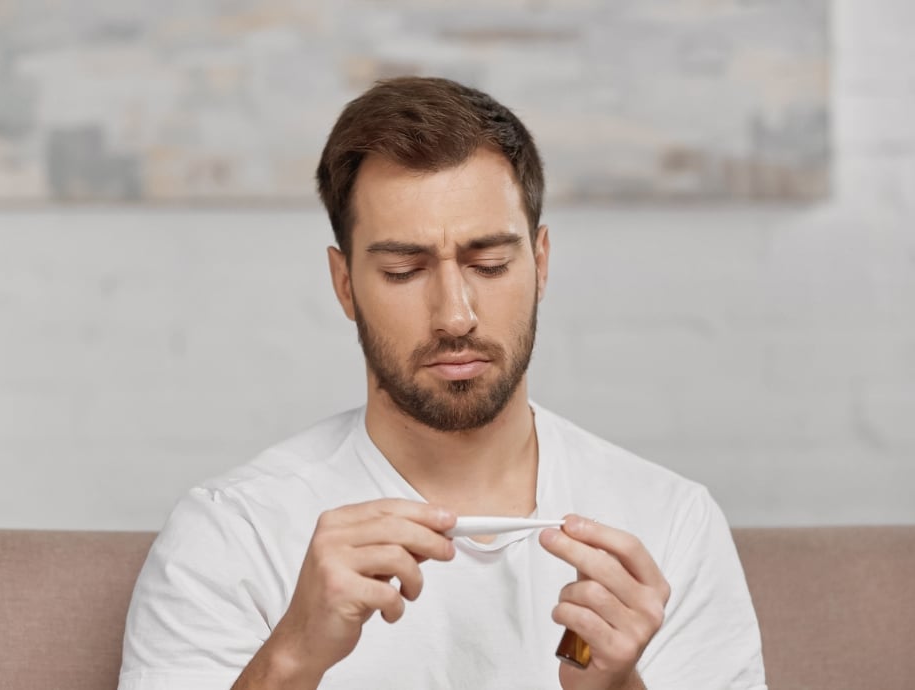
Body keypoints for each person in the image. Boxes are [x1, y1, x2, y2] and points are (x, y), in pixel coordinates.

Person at [118, 76, 766, 690]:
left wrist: (622, 689)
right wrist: (292, 658)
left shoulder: (670, 523)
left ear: (539, 263)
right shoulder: (234, 531)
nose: (456, 314)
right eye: (404, 269)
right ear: (345, 285)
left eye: (489, 263)